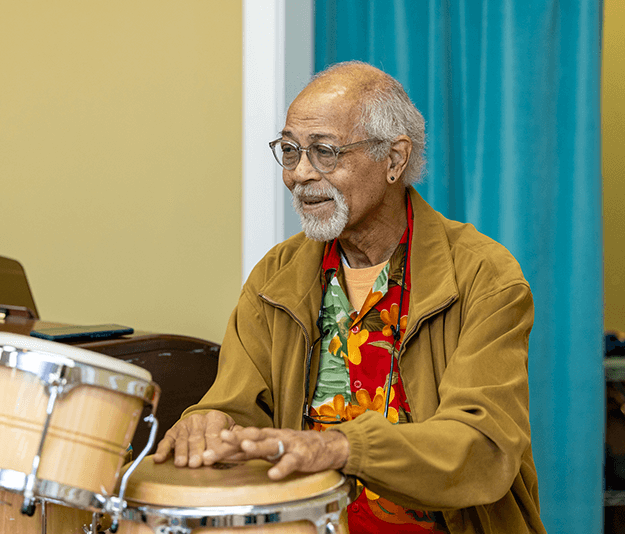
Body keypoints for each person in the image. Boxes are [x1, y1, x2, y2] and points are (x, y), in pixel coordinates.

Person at [153, 61, 545, 533]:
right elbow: (235, 405)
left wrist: (343, 448)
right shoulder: (275, 277)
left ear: (394, 161)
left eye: (323, 152)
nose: (299, 174)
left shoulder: (484, 276)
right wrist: (207, 420)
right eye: (291, 150)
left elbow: (481, 447)